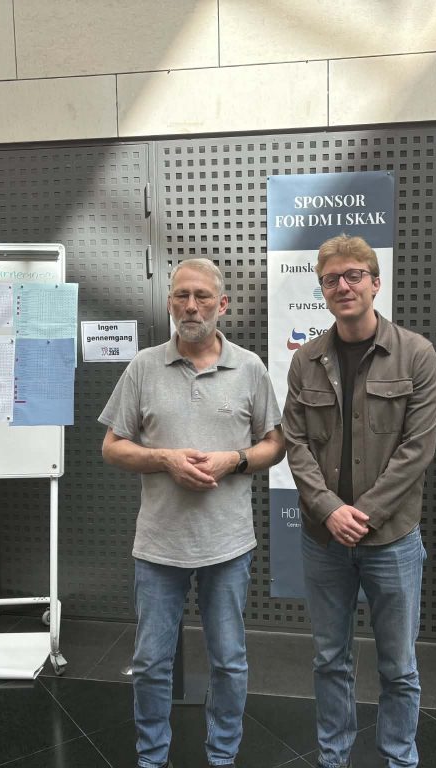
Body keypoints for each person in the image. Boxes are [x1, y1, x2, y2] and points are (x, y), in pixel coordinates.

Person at [99, 257, 285, 768]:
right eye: (181, 295)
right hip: (159, 547)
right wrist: (164, 459)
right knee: (150, 663)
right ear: (169, 304)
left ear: (222, 304)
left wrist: (234, 460)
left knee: (229, 662)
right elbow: (112, 447)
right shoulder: (143, 367)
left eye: (202, 296)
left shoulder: (249, 368)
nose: (191, 306)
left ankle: (222, 757)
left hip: (228, 545)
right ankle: (151, 759)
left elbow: (275, 444)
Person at [283, 234, 436, 768]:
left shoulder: (416, 355)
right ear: (322, 289)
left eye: (354, 275)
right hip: (324, 540)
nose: (343, 286)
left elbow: (417, 449)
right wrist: (329, 509)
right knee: (330, 660)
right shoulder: (306, 360)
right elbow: (295, 444)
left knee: (399, 666)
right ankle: (334, 759)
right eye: (331, 279)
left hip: (392, 540)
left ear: (376, 282)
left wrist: (364, 514)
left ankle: (399, 759)